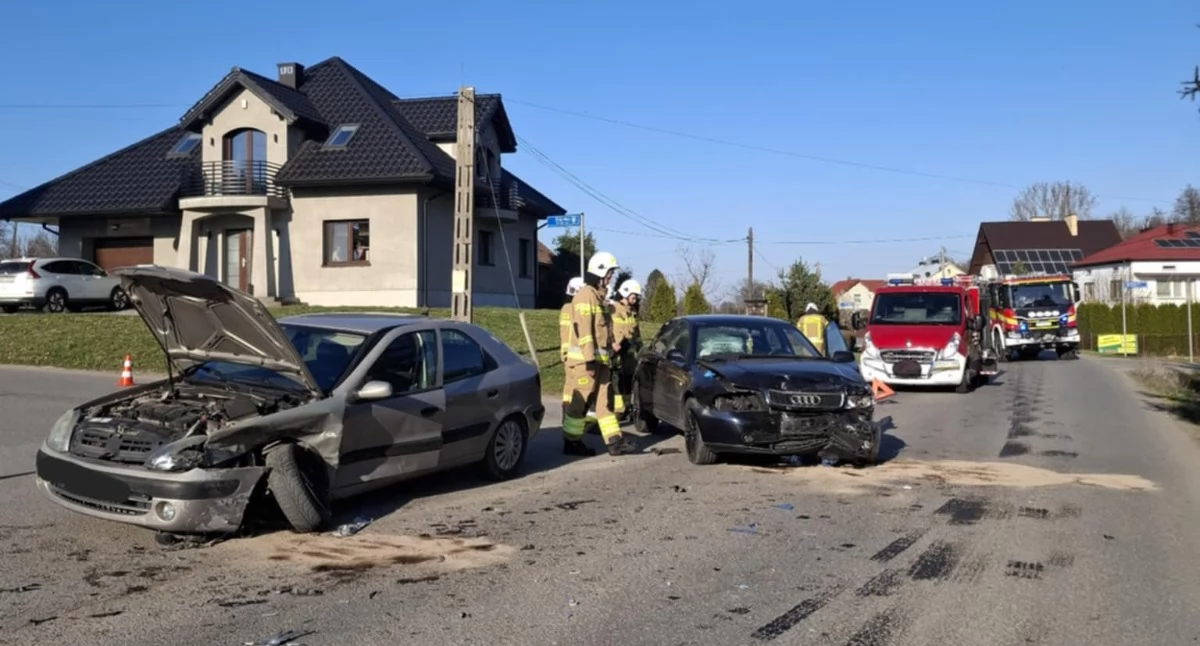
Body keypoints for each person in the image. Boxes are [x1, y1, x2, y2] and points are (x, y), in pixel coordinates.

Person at [563, 251, 634, 456]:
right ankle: (571, 442)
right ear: (600, 272)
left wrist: (612, 347)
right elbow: (584, 331)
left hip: (601, 363)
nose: (611, 277)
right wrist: (589, 361)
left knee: (605, 403)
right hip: (588, 364)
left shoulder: (598, 298)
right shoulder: (586, 296)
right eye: (610, 273)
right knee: (579, 404)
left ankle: (615, 442)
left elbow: (602, 331)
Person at [609, 279, 643, 419]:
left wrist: (640, 346)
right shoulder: (614, 308)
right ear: (626, 293)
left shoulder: (633, 311)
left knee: (628, 377)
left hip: (629, 347)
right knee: (616, 378)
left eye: (636, 297)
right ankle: (619, 409)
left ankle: (628, 406)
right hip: (616, 348)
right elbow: (607, 327)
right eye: (633, 296)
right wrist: (612, 343)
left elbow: (636, 330)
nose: (635, 300)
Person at [559, 277, 586, 407]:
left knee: (574, 386)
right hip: (572, 355)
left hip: (578, 355)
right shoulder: (568, 308)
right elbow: (565, 332)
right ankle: (568, 412)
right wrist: (565, 352)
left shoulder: (576, 307)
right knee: (571, 386)